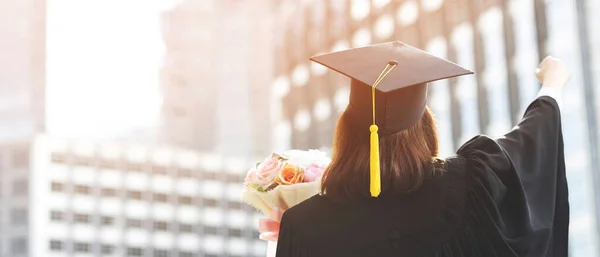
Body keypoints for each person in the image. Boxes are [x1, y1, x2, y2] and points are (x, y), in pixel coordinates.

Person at [260, 41, 570, 257]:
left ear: (346, 130)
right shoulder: (469, 183)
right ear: (424, 126)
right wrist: (551, 86)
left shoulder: (304, 226)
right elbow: (529, 145)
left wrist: (284, 239)